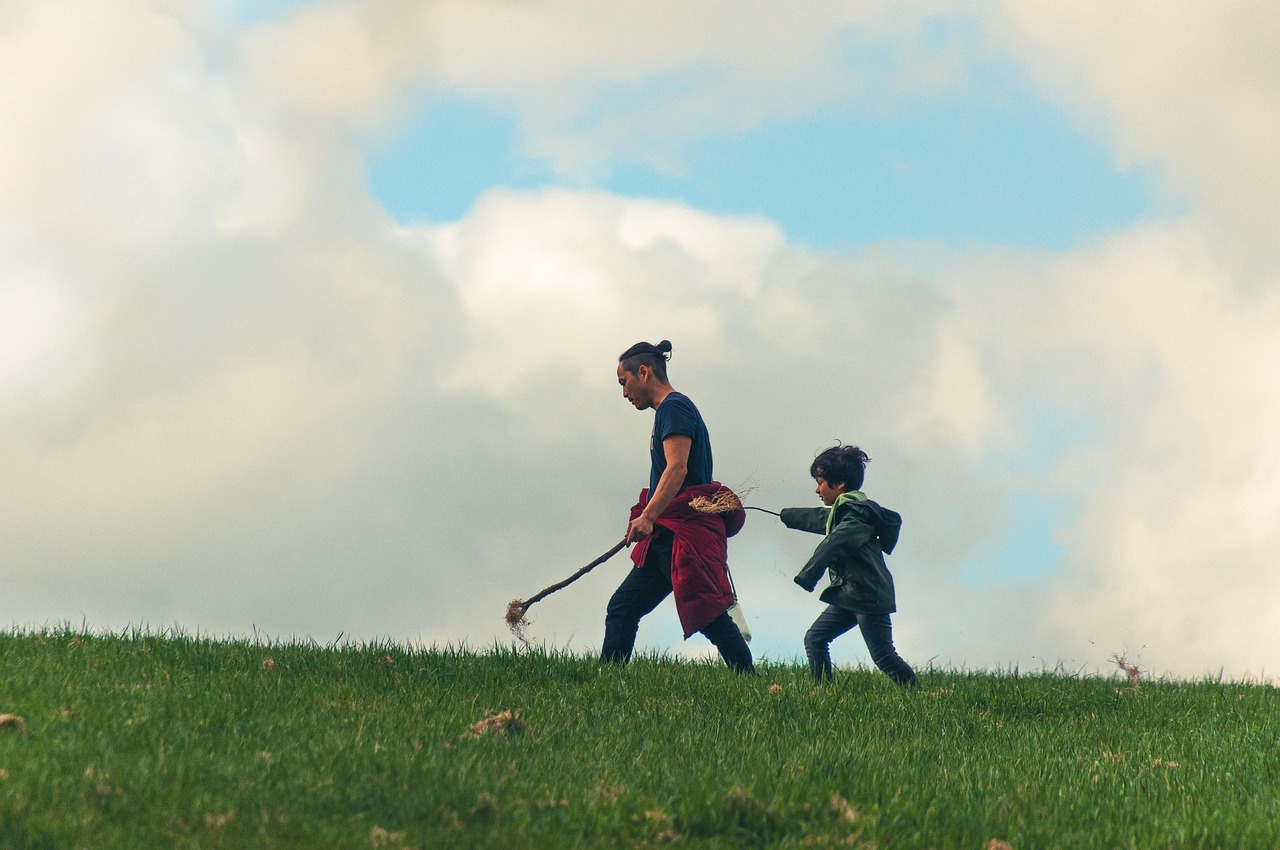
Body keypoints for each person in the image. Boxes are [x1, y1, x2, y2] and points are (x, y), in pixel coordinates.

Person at [600, 340, 754, 673]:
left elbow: (677, 468)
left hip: (682, 535)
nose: (624, 392)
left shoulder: (674, 408)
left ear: (644, 372)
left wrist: (647, 516)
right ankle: (606, 682)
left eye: (623, 382)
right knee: (623, 607)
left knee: (709, 616)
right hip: (667, 535)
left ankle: (750, 681)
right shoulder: (670, 412)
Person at [780, 444, 919, 686]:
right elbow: (821, 519)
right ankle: (821, 693)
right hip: (850, 593)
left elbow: (834, 542)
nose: (817, 488)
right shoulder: (846, 512)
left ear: (840, 483)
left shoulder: (856, 517)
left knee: (884, 656)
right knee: (815, 638)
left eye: (821, 481)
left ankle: (920, 697)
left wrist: (808, 575)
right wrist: (784, 515)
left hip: (868, 596)